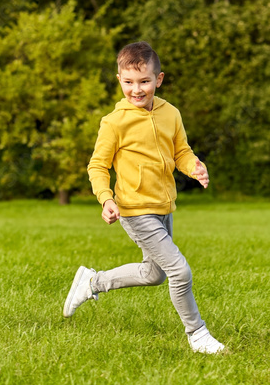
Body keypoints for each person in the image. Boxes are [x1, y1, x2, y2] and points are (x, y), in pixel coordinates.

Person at [64, 41, 225, 354]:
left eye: (144, 82)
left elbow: (181, 151)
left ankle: (92, 282)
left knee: (154, 274)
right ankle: (198, 335)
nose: (136, 90)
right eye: (128, 82)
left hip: (164, 208)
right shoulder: (114, 122)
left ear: (158, 79)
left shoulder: (170, 113)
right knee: (179, 271)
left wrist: (195, 168)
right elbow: (97, 165)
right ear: (119, 80)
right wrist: (106, 199)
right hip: (135, 210)